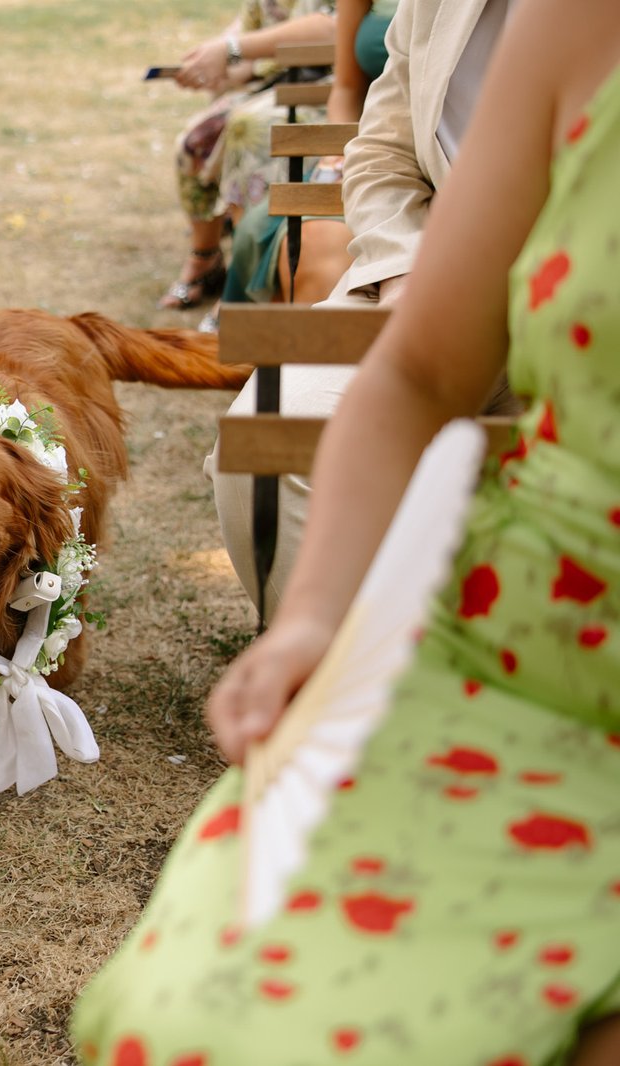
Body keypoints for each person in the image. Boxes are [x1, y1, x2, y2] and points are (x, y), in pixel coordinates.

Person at [71, 1, 620, 1061]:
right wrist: (313, 623)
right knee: (187, 1022)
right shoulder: (572, 21)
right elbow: (415, 368)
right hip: (518, 641)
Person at [207, 0, 522, 616]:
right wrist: (405, 275)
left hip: (580, 312)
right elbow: (383, 154)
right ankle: (356, 685)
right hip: (434, 285)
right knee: (261, 450)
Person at [157, 0, 336, 313]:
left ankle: (246, 286)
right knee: (195, 141)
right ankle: (206, 259)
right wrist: (210, 65)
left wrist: (231, 49)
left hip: (326, 84)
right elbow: (253, 25)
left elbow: (333, 25)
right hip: (275, 80)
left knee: (247, 132)